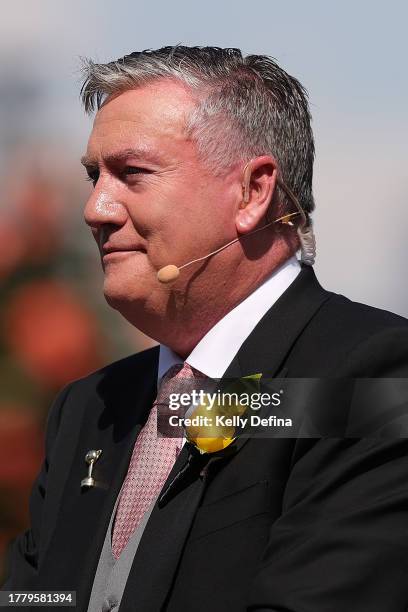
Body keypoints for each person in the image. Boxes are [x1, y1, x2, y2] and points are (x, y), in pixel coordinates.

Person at [2, 46, 408, 612]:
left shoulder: (373, 376)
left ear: (252, 192)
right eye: (96, 176)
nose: (95, 208)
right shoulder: (89, 407)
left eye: (132, 173)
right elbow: (35, 597)